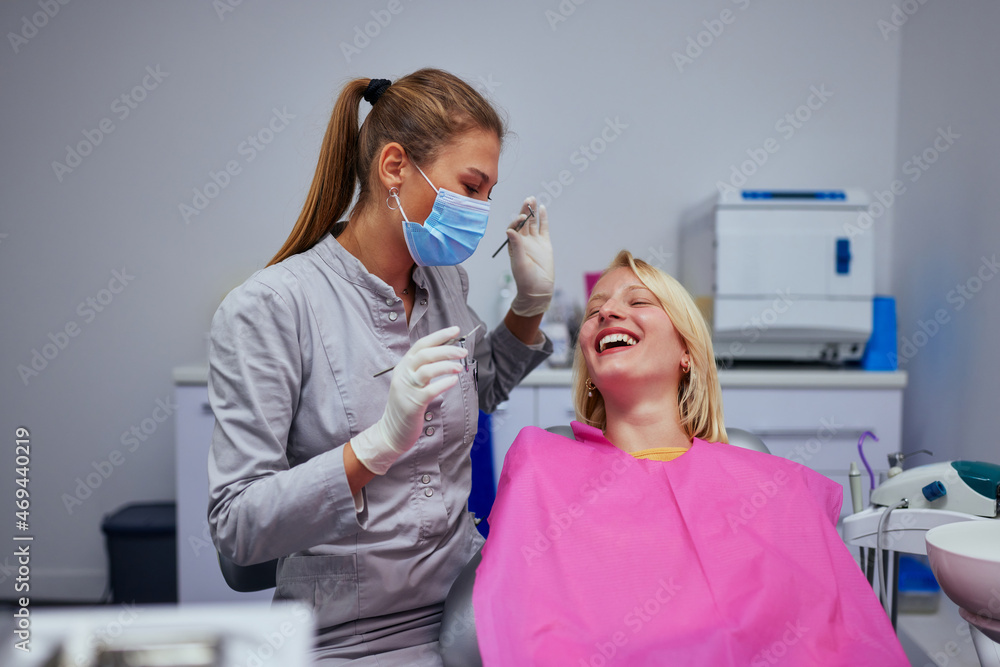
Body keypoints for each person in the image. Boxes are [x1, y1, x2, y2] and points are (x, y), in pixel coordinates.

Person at [207, 68, 554, 666]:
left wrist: (529, 307)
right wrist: (376, 446)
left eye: (489, 194)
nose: (481, 211)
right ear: (394, 167)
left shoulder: (444, 280)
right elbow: (238, 525)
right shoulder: (272, 307)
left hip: (468, 603)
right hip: (349, 636)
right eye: (470, 187)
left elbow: (479, 388)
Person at [467, 250, 909, 666]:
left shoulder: (777, 487)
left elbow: (840, 638)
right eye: (594, 310)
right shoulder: (541, 469)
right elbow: (523, 622)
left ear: (686, 354)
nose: (606, 312)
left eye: (638, 300)